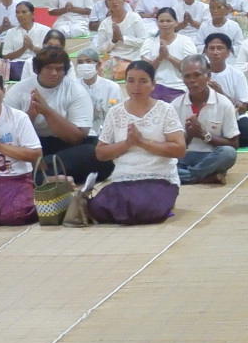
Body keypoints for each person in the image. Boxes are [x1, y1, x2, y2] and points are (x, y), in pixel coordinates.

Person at [77, 63, 183, 225]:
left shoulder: (166, 110)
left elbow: (179, 149)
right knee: (96, 208)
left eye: (143, 81)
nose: (136, 87)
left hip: (158, 177)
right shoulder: (116, 112)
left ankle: (161, 202)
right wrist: (127, 143)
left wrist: (142, 142)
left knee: (145, 208)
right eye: (131, 81)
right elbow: (101, 153)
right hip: (124, 178)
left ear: (153, 84)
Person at [14, 47, 102, 184]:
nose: (54, 73)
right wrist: (30, 115)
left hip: (67, 148)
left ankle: (38, 175)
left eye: (59, 69)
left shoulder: (75, 90)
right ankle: (46, 176)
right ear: (37, 70)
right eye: (49, 68)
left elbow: (77, 138)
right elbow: (9, 134)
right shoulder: (19, 91)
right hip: (34, 146)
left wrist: (47, 111)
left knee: (97, 154)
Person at [174, 56, 241, 186]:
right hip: (184, 158)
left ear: (208, 76)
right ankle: (203, 177)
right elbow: (172, 146)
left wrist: (204, 135)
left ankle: (187, 176)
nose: (192, 81)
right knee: (158, 160)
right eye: (187, 76)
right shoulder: (175, 105)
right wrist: (189, 136)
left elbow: (234, 145)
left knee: (228, 154)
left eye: (197, 75)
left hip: (210, 157)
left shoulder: (224, 103)